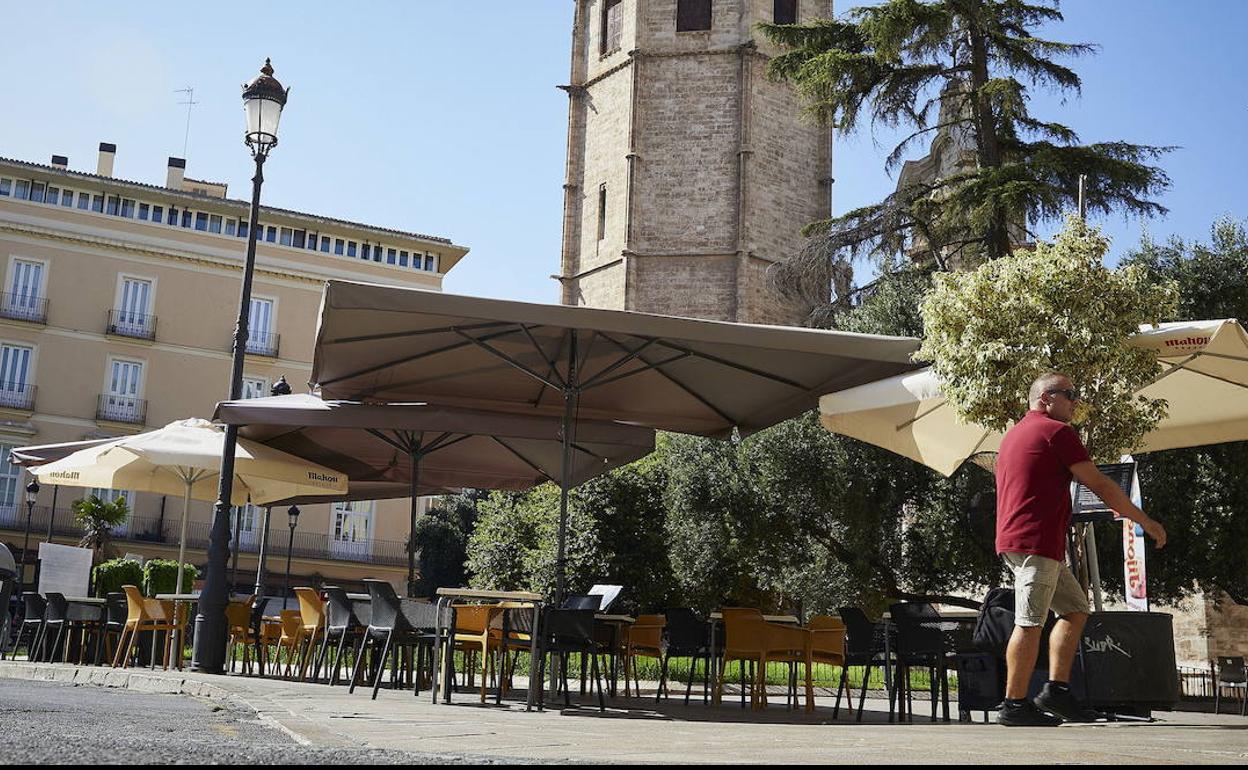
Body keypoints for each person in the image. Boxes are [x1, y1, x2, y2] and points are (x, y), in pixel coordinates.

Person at [995, 372, 1167, 726]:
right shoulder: (1057, 432)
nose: (1076, 402)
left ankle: (1056, 692)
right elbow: (1100, 483)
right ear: (1045, 398)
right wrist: (1144, 521)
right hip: (1035, 542)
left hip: (1026, 541)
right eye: (1069, 395)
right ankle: (1013, 705)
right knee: (1029, 623)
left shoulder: (1013, 434)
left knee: (1074, 609)